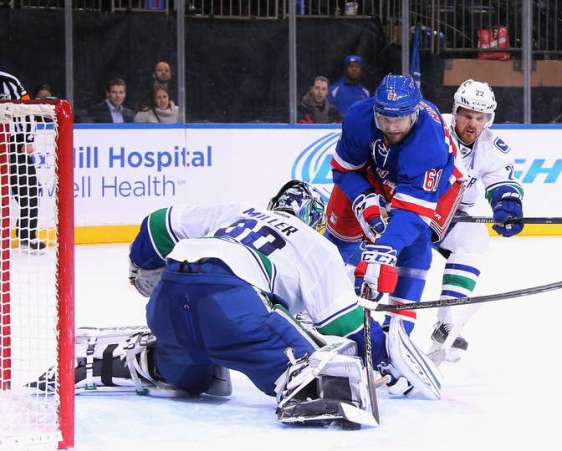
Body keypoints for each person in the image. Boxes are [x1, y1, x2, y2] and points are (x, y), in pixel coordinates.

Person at [52, 181, 441, 429]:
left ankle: (139, 359)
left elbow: (156, 224)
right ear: (314, 220)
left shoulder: (235, 211)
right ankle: (312, 380)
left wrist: (142, 268)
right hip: (233, 306)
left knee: (205, 381)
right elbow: (346, 327)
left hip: (168, 299)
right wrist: (386, 355)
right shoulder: (317, 245)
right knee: (326, 375)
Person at [324, 74, 464, 337]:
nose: (391, 127)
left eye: (399, 119)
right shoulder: (358, 118)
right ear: (375, 110)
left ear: (414, 114)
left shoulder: (428, 142)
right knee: (341, 230)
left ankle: (396, 333)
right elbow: (343, 171)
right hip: (380, 172)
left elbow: (411, 213)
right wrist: (364, 200)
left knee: (414, 249)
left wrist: (384, 250)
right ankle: (322, 297)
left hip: (436, 185)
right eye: (385, 118)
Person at [428, 79, 524, 362]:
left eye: (479, 118)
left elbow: (500, 180)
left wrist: (508, 204)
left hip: (453, 217)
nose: (472, 123)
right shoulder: (433, 129)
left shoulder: (491, 146)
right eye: (467, 115)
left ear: (488, 119)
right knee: (407, 259)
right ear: (455, 112)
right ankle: (388, 323)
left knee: (475, 240)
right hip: (417, 210)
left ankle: (446, 324)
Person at [0, 70, 46, 250]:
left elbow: (28, 110)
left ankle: (27, 233)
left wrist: (27, 140)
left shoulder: (9, 81)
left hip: (14, 142)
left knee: (29, 189)